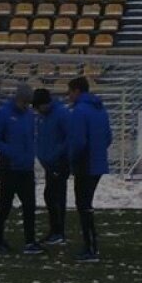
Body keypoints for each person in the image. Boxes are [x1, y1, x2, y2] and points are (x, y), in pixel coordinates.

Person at [0, 82, 40, 254]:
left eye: (28, 103)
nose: (25, 106)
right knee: (5, 204)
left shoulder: (30, 115)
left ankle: (30, 241)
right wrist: (11, 153)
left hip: (26, 167)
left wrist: (30, 156)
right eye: (23, 102)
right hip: (9, 167)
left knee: (30, 205)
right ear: (17, 99)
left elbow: (31, 138)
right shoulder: (3, 114)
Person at [66, 76, 113, 263]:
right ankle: (91, 245)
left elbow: (78, 141)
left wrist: (71, 158)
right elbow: (108, 137)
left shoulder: (79, 111)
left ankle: (90, 247)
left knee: (83, 205)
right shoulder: (100, 109)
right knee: (87, 204)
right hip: (98, 162)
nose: (68, 95)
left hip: (85, 163)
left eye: (70, 91)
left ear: (77, 91)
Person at [33, 88, 69, 246]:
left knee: (55, 196)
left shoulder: (61, 114)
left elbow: (68, 138)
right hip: (49, 162)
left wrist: (56, 155)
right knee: (50, 195)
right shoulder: (43, 117)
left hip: (59, 162)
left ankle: (58, 231)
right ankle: (55, 230)